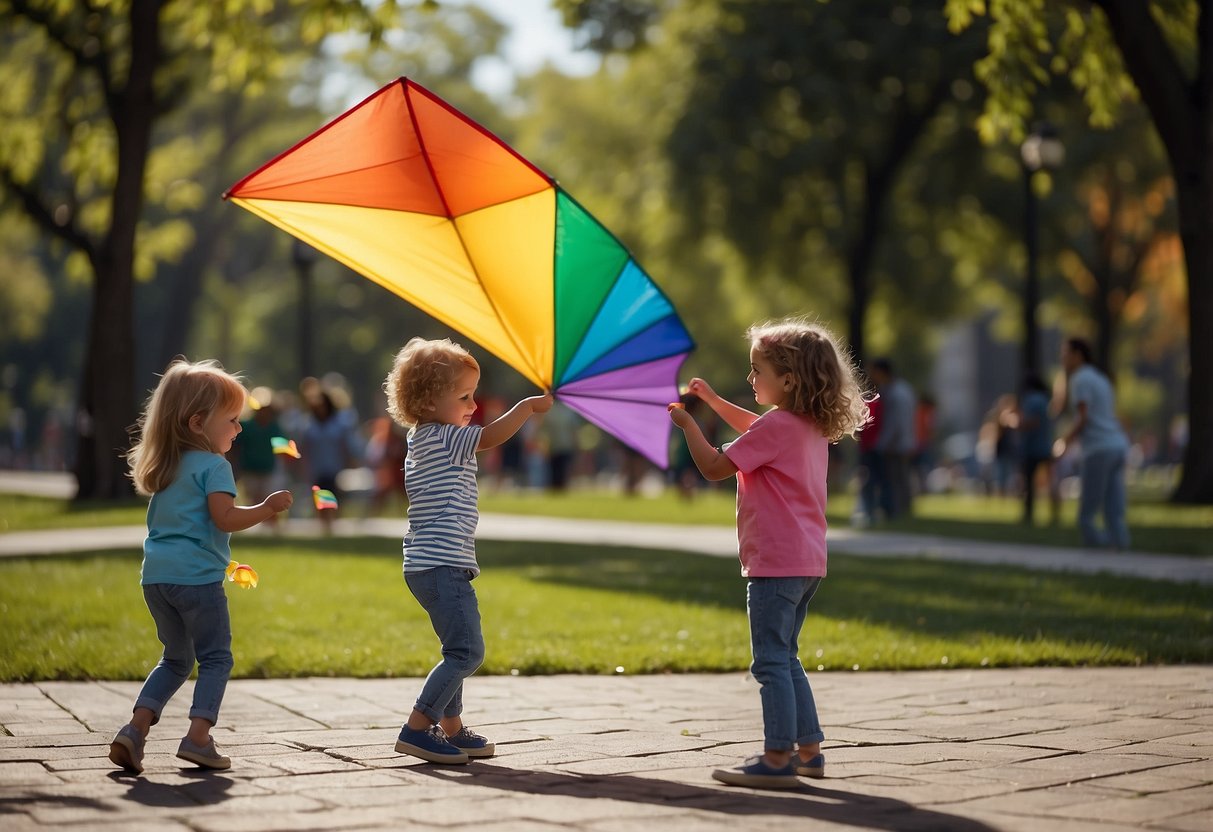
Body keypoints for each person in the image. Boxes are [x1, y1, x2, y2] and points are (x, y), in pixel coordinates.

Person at [668, 318, 869, 790]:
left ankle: (777, 756)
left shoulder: (779, 426)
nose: (751, 378)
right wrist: (715, 402)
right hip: (806, 562)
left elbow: (716, 466)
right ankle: (808, 751)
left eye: (757, 370)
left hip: (775, 564)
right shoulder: (804, 425)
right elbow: (758, 427)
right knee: (787, 655)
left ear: (789, 379)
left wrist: (689, 424)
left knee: (770, 662)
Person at [108, 359, 293, 775]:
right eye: (231, 420)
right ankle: (198, 738)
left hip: (155, 579)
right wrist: (266, 508)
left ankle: (134, 731)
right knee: (215, 658)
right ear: (197, 423)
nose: (238, 429)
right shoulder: (215, 467)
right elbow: (224, 518)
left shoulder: (167, 466)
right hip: (196, 581)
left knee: (175, 658)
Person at [383, 337, 552, 764]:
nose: (473, 405)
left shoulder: (423, 437)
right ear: (426, 401)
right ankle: (418, 727)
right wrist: (527, 408)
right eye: (463, 396)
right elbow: (490, 437)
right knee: (467, 651)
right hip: (441, 565)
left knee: (454, 648)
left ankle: (452, 728)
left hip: (429, 564)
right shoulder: (444, 436)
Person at [1057, 337, 1131, 549]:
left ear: (1078, 355)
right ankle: (1121, 548)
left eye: (1065, 353)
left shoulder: (1079, 380)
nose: (1062, 358)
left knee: (1086, 515)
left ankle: (1096, 555)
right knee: (1114, 510)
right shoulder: (1101, 379)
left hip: (1098, 449)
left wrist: (1064, 442)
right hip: (1118, 445)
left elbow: (1083, 417)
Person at [868, 358, 916, 518]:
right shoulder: (902, 389)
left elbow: (895, 423)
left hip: (896, 444)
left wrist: (882, 443)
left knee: (896, 479)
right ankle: (904, 511)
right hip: (903, 441)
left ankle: (899, 511)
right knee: (901, 478)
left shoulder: (895, 393)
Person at [1018, 372, 1055, 525]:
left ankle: (1028, 514)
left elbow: (1031, 422)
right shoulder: (1046, 399)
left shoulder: (1031, 399)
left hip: (1032, 447)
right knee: (1051, 482)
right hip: (1046, 444)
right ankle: (1054, 515)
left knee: (1028, 483)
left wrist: (1015, 423)